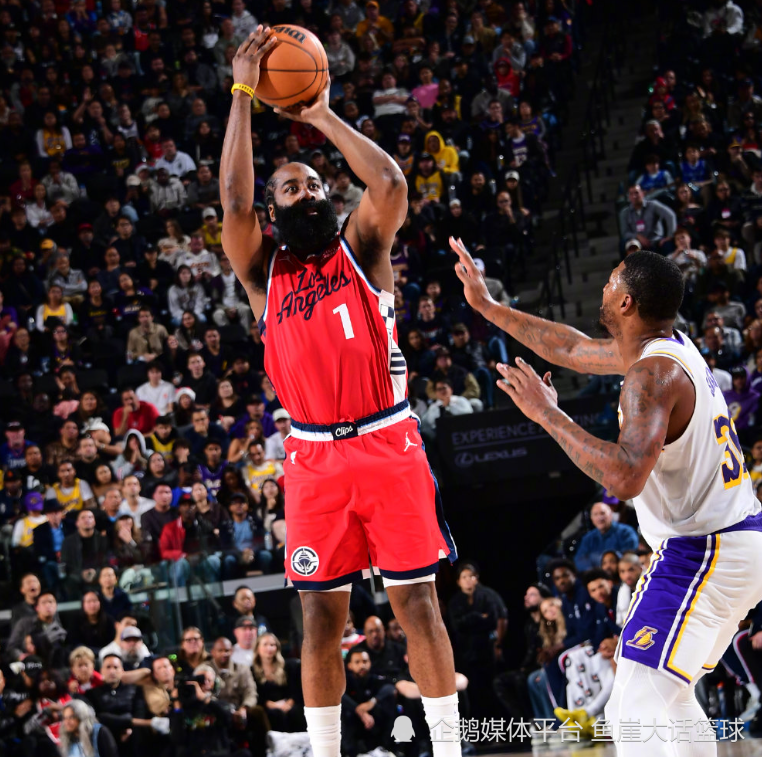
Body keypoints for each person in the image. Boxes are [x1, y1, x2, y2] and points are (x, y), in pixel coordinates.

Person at [453, 238, 762, 754]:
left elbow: (623, 478)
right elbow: (571, 349)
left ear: (626, 301)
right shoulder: (666, 349)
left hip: (705, 549)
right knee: (669, 697)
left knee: (630, 708)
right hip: (729, 543)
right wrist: (487, 307)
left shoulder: (652, 375)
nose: (604, 284)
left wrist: (547, 413)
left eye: (612, 278)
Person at [574, 501, 640, 571]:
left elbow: (629, 556)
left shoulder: (626, 532)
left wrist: (594, 558)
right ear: (592, 519)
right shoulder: (588, 538)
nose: (600, 518)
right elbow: (579, 560)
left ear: (610, 514)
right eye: (595, 514)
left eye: (602, 513)